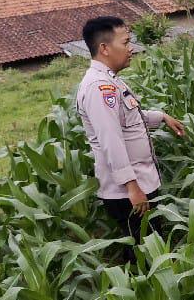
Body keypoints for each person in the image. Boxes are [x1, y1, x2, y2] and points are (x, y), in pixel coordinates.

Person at [75, 16, 186, 261]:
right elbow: (110, 139)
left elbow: (128, 119)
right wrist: (132, 187)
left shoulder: (110, 81)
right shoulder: (99, 88)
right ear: (104, 48)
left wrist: (162, 117)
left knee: (148, 247)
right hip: (129, 192)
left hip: (138, 185)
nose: (131, 48)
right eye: (125, 42)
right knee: (145, 254)